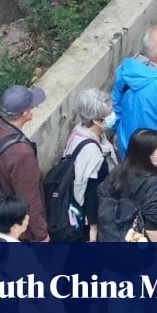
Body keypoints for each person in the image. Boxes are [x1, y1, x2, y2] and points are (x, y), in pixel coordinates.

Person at [97, 129, 157, 313]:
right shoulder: (156, 183)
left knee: (119, 300)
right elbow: (153, 221)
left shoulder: (116, 173)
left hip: (111, 245)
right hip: (140, 251)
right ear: (147, 153)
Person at [0, 85, 49, 241]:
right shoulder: (22, 153)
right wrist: (42, 235)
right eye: (31, 106)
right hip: (19, 228)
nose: (33, 109)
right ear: (24, 112)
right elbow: (30, 198)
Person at [111, 26, 157, 155]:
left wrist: (118, 130)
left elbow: (115, 104)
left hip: (128, 148)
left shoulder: (125, 70)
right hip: (156, 153)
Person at [60, 89, 118, 246]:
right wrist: (93, 226)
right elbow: (91, 192)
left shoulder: (79, 131)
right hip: (89, 215)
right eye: (110, 112)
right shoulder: (92, 153)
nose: (113, 114)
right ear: (97, 120)